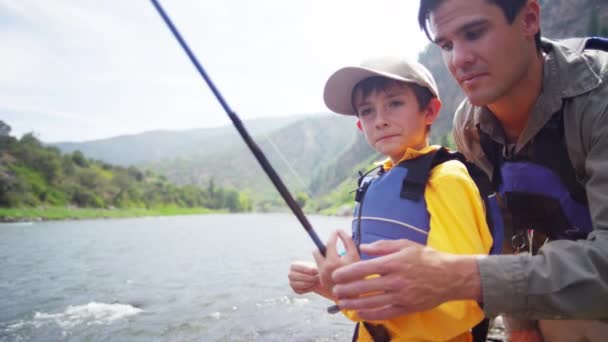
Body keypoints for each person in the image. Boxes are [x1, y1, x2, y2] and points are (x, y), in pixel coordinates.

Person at [329, 0, 608, 341]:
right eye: (445, 45)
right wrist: (520, 325)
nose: (458, 60)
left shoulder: (601, 100)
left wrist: (457, 276)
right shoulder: (470, 124)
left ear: (530, 19)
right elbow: (503, 233)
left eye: (474, 33)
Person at [288, 56, 497, 341]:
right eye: (367, 111)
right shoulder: (375, 180)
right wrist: (324, 280)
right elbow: (365, 279)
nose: (381, 120)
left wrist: (352, 294)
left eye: (395, 104)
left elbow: (460, 304)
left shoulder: (447, 179)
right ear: (361, 126)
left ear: (430, 111)